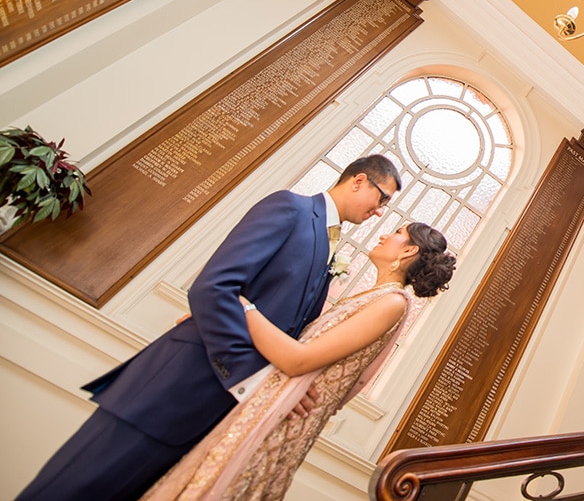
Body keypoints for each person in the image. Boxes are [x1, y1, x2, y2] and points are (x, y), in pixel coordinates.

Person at [17, 155, 403, 501]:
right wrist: (252, 377)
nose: (380, 211)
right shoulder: (291, 208)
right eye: (382, 198)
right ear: (358, 180)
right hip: (175, 390)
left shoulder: (331, 246)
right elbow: (214, 287)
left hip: (214, 414)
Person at [141, 222, 455, 501]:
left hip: (289, 415)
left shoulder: (391, 303)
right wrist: (216, 327)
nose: (386, 234)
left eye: (398, 233)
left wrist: (241, 305)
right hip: (275, 401)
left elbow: (298, 360)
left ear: (410, 250)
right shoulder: (373, 297)